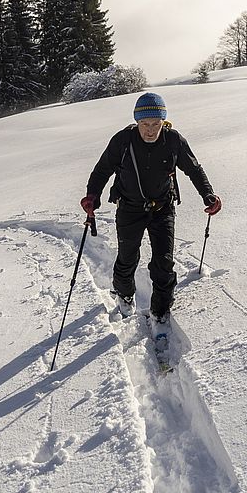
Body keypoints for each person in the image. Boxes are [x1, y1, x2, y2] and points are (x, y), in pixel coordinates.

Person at [81, 92, 221, 332]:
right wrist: (92, 196)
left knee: (163, 262)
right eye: (144, 124)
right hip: (129, 209)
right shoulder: (123, 141)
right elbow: (102, 170)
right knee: (127, 259)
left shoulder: (173, 140)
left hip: (163, 208)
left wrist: (208, 194)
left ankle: (160, 310)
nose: (150, 130)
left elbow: (194, 169)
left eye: (156, 124)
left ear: (164, 122)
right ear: (137, 122)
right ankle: (124, 296)